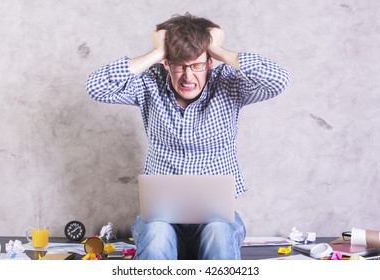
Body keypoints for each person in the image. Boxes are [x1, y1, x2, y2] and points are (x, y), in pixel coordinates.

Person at [85, 13, 289, 260]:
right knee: (158, 234)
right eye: (180, 65)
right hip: (160, 220)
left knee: (219, 231)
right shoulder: (150, 83)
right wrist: (157, 52)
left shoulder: (228, 82)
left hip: (216, 220)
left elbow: (278, 80)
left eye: (197, 65)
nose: (188, 76)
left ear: (210, 62)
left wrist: (217, 49)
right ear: (167, 64)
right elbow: (96, 87)